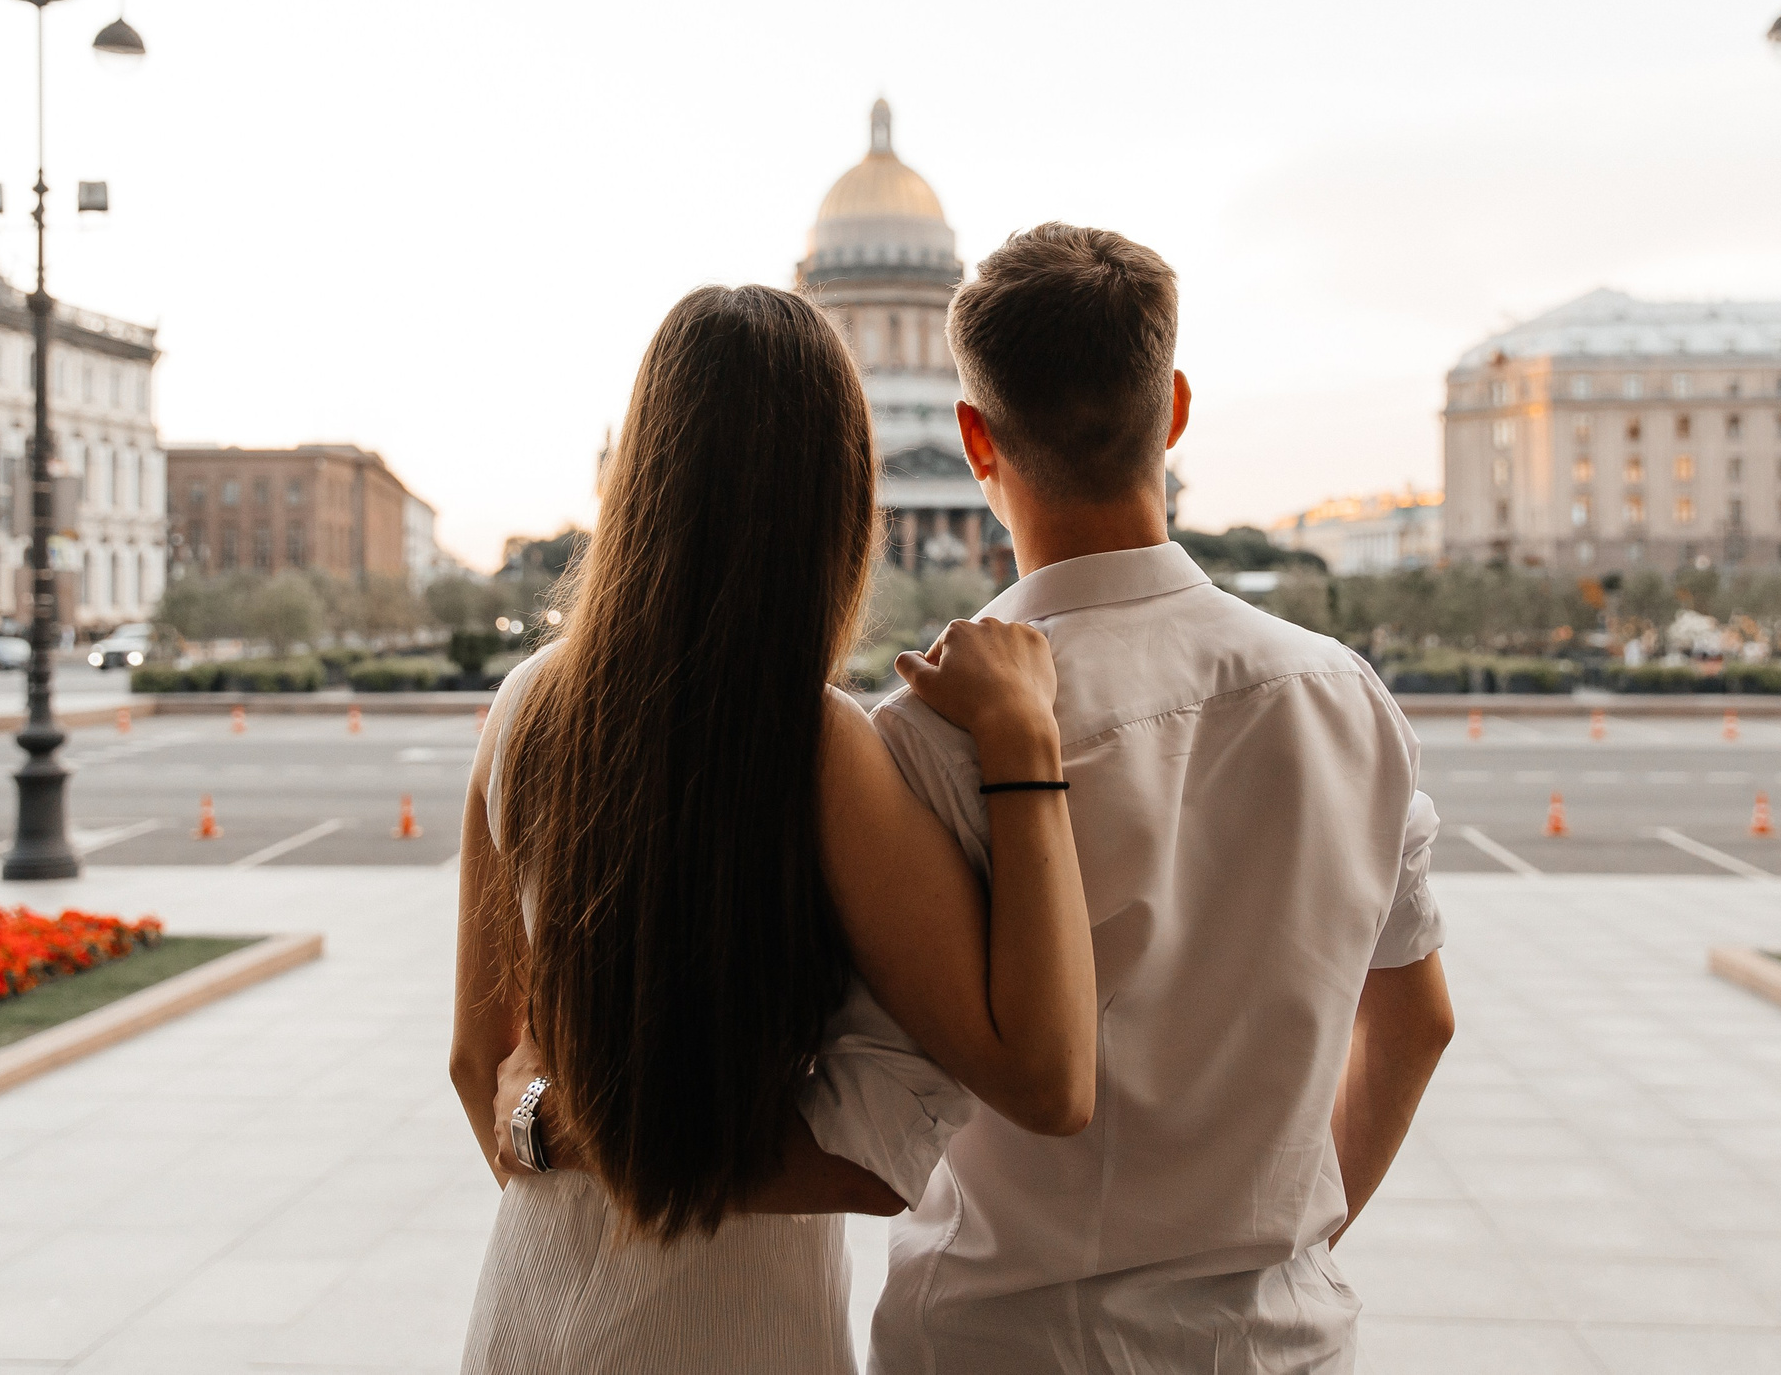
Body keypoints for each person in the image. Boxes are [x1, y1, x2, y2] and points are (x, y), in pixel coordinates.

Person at [796, 224, 1454, 1372]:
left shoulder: (922, 738)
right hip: (1276, 1341)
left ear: (971, 440)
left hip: (1007, 1340)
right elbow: (1418, 1021)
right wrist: (1286, 1244)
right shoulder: (1343, 696)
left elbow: (872, 1118)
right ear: (1174, 411)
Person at [448, 283, 1098, 1374]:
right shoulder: (815, 743)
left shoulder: (526, 703)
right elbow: (1044, 1079)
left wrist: (568, 1138)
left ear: (644, 473)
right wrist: (1024, 748)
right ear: (835, 496)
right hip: (726, 1328)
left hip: (524, 1304)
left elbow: (481, 1060)